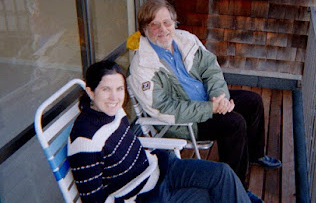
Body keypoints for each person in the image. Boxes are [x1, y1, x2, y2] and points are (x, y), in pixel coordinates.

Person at [126, 0, 281, 191]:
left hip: (209, 100)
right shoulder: (142, 66)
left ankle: (255, 154)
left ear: (174, 23)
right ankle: (236, 187)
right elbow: (165, 109)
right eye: (154, 25)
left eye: (167, 22)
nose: (163, 29)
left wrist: (219, 97)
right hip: (184, 121)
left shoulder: (185, 39)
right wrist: (210, 108)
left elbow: (210, 68)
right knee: (234, 123)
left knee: (253, 101)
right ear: (144, 29)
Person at [67, 60, 255, 202]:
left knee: (222, 173)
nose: (114, 97)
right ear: (91, 92)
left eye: (119, 89)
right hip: (145, 196)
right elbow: (93, 199)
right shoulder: (85, 140)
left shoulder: (114, 111)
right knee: (210, 196)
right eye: (106, 89)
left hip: (160, 167)